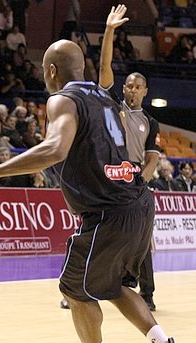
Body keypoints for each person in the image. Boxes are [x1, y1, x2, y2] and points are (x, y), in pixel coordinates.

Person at [0, 38, 189, 343]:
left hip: (108, 211)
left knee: (74, 289)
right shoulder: (106, 99)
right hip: (138, 202)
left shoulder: (62, 98)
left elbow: (55, 148)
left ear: (51, 71)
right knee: (112, 286)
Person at [94, 4, 161, 312]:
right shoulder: (112, 106)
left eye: (138, 87)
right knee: (97, 231)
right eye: (129, 86)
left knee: (142, 238)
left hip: (136, 180)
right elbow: (104, 69)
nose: (132, 90)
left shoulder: (151, 122)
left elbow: (152, 158)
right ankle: (84, 288)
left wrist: (142, 179)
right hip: (110, 176)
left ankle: (146, 294)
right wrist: (109, 31)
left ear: (145, 91)